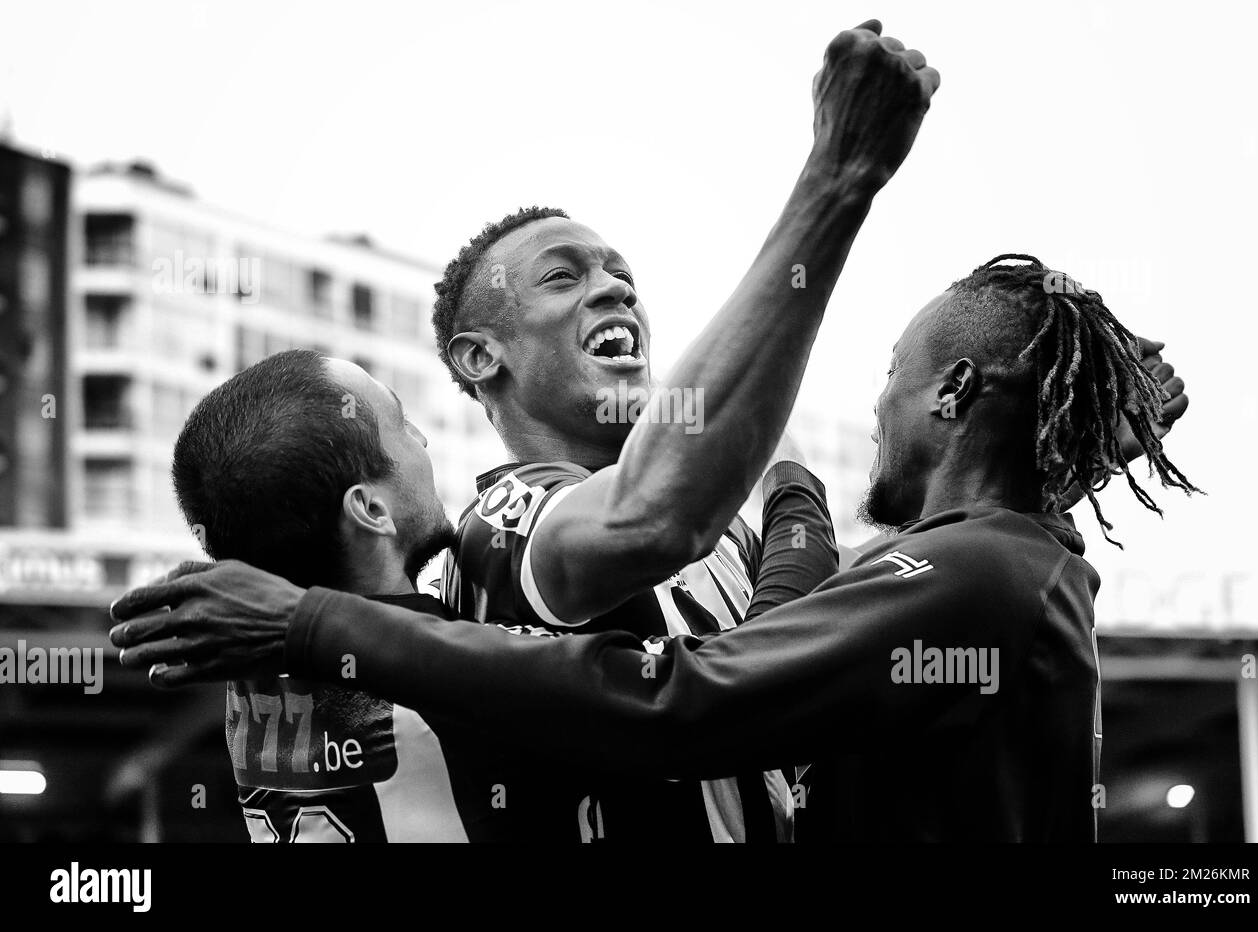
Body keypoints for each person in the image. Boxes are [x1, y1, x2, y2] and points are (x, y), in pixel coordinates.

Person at [112, 254, 1195, 841]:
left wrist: (791, 509)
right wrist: (834, 185)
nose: (614, 289)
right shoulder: (507, 529)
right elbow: (677, 695)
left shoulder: (970, 572)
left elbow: (759, 674)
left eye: (617, 270)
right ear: (480, 360)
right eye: (560, 275)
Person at [167, 348, 837, 841]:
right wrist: (796, 493)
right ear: (371, 510)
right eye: (401, 426)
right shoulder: (446, 680)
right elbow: (731, 693)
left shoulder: (250, 671)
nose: (424, 441)